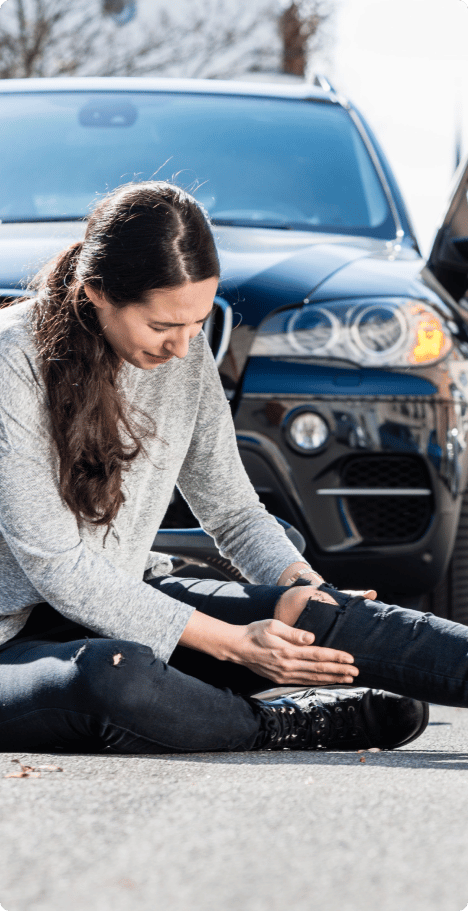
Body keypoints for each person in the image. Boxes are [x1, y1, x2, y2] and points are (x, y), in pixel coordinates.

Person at [0, 180, 466, 758]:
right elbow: (58, 569)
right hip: (14, 643)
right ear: (96, 291)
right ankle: (286, 725)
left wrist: (310, 591)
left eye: (196, 326)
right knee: (113, 675)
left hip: (120, 602)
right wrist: (237, 643)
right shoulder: (11, 359)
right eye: (163, 327)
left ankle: (205, 704)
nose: (182, 348)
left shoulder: (184, 355)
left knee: (311, 612)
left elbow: (235, 513)